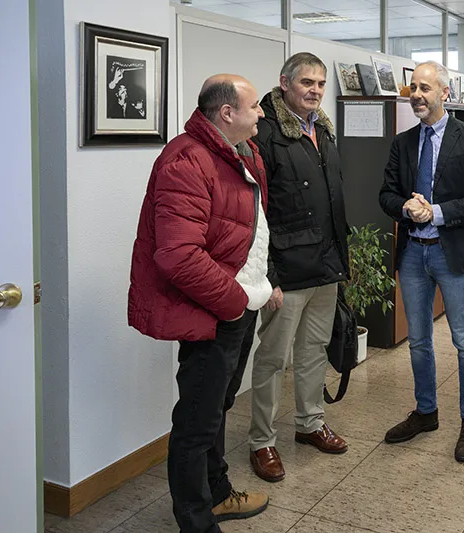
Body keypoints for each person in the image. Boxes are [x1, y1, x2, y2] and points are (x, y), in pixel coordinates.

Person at [128, 74, 271, 533]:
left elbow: (250, 230)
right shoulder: (186, 159)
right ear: (226, 113)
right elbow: (177, 255)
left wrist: (263, 285)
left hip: (239, 303)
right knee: (196, 422)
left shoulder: (242, 153)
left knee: (217, 409)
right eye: (254, 106)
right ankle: (196, 521)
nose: (262, 113)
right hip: (214, 311)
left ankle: (220, 494)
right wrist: (232, 302)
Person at [378, 61, 464, 462]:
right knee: (418, 340)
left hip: (452, 254)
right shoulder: (403, 142)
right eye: (413, 88)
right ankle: (426, 411)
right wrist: (406, 206)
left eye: (425, 88)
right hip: (413, 252)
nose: (417, 95)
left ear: (445, 93)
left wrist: (438, 212)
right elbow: (386, 195)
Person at [247, 52, 350, 483]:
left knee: (313, 353)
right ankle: (261, 441)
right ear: (284, 82)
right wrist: (265, 275)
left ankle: (310, 423)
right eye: (307, 82)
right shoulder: (264, 133)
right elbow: (256, 211)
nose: (315, 90)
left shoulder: (322, 128)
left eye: (321, 83)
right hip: (285, 271)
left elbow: (331, 201)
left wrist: (343, 261)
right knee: (272, 359)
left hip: (325, 264)